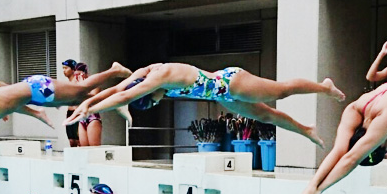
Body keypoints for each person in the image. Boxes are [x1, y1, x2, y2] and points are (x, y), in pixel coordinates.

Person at [67, 63, 344, 146]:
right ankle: (306, 129)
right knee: (268, 117)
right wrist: (88, 101)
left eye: (151, 104)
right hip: (222, 96)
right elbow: (118, 89)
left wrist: (90, 110)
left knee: (280, 92)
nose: (156, 104)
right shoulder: (143, 77)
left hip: (231, 83)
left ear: (149, 94)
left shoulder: (160, 78)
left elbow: (125, 96)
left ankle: (324, 86)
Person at [0, 63, 132, 137]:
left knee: (80, 90)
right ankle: (117, 100)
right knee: (79, 98)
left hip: (38, 88)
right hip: (36, 96)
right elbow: (14, 103)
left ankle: (114, 70)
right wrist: (36, 113)